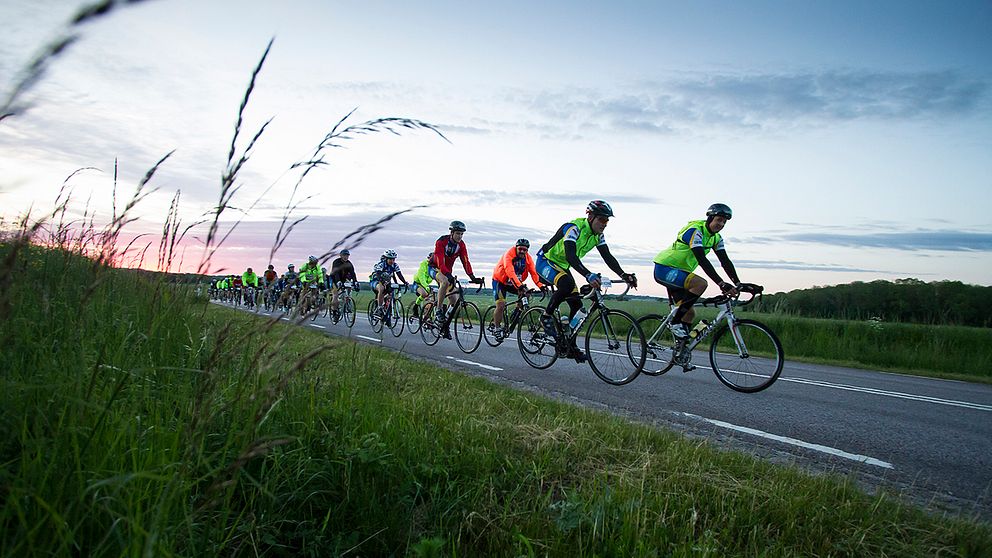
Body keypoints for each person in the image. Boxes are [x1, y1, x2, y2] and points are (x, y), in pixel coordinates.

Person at [535, 200, 637, 361]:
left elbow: (608, 257)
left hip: (563, 266)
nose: (605, 224)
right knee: (567, 284)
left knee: (578, 307)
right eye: (602, 219)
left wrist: (624, 275)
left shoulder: (598, 236)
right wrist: (588, 275)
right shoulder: (574, 228)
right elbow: (571, 256)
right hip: (546, 261)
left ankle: (570, 346)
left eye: (607, 220)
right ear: (590, 217)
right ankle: (546, 316)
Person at [653, 203, 741, 339]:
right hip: (665, 268)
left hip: (682, 273)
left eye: (724, 222)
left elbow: (725, 261)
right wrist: (721, 283)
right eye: (719, 220)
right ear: (710, 218)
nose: (721, 224)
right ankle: (675, 323)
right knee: (700, 284)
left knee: (689, 314)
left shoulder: (716, 238)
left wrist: (738, 283)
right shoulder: (695, 230)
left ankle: (680, 351)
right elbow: (701, 259)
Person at [432, 220, 483, 332]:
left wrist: (472, 277)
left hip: (447, 271)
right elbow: (440, 262)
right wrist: (448, 274)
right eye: (458, 233)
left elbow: (465, 262)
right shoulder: (441, 241)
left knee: (454, 301)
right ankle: (438, 310)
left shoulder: (461, 245)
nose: (460, 236)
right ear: (452, 233)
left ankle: (443, 324)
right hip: (435, 268)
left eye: (461, 234)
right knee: (444, 281)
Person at [491, 239, 544, 336]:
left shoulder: (528, 258)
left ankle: (517, 311)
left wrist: (541, 286)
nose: (522, 251)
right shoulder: (509, 255)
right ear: (516, 248)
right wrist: (519, 286)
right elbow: (509, 271)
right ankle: (496, 328)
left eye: (525, 250)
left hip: (513, 282)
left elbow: (534, 273)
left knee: (526, 294)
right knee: (501, 305)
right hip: (500, 281)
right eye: (520, 249)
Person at [369, 250, 408, 315]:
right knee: (381, 288)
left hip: (386, 281)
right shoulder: (381, 265)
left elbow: (399, 274)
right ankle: (379, 308)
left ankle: (386, 308)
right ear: (386, 258)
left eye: (393, 259)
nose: (392, 261)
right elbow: (378, 275)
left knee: (390, 292)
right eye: (390, 259)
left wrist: (404, 282)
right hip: (376, 281)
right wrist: (383, 282)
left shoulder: (395, 265)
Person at [329, 249, 358, 318]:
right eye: (344, 255)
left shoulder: (349, 263)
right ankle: (334, 311)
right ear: (341, 256)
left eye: (347, 256)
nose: (346, 257)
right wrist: (338, 282)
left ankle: (347, 303)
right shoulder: (336, 262)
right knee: (336, 295)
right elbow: (336, 273)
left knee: (348, 288)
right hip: (334, 279)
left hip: (343, 280)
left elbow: (353, 273)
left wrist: (355, 282)